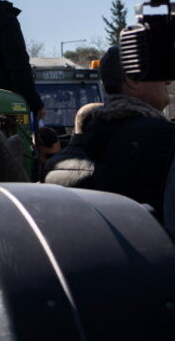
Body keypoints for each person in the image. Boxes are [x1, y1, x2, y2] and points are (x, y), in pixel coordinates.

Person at [44, 45, 174, 223]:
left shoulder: (104, 132)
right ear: (132, 79)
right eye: (159, 72)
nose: (167, 80)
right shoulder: (159, 136)